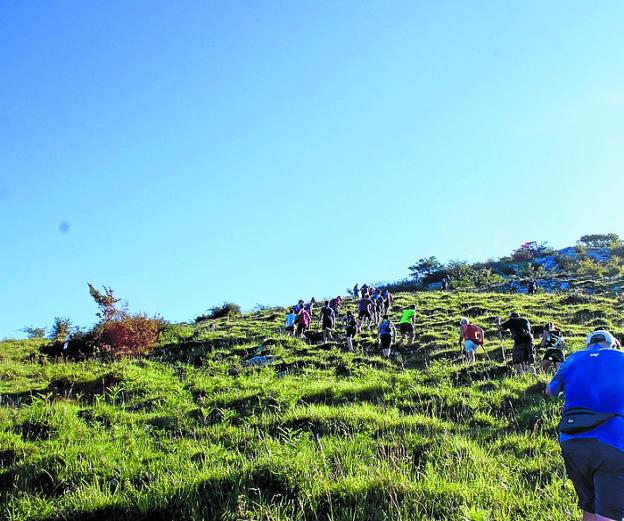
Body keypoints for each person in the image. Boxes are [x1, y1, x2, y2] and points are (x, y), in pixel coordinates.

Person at [546, 330, 624, 521]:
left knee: (589, 505)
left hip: (572, 439)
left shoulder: (572, 359)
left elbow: (550, 390)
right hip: (613, 439)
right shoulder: (621, 357)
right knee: (609, 513)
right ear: (613, 344)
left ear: (588, 344)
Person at [497, 311, 536, 375]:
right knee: (528, 362)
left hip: (519, 342)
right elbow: (531, 332)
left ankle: (521, 376)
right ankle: (533, 375)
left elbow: (499, 328)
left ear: (512, 317)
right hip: (530, 341)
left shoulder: (512, 320)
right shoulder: (525, 320)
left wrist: (498, 320)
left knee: (517, 362)